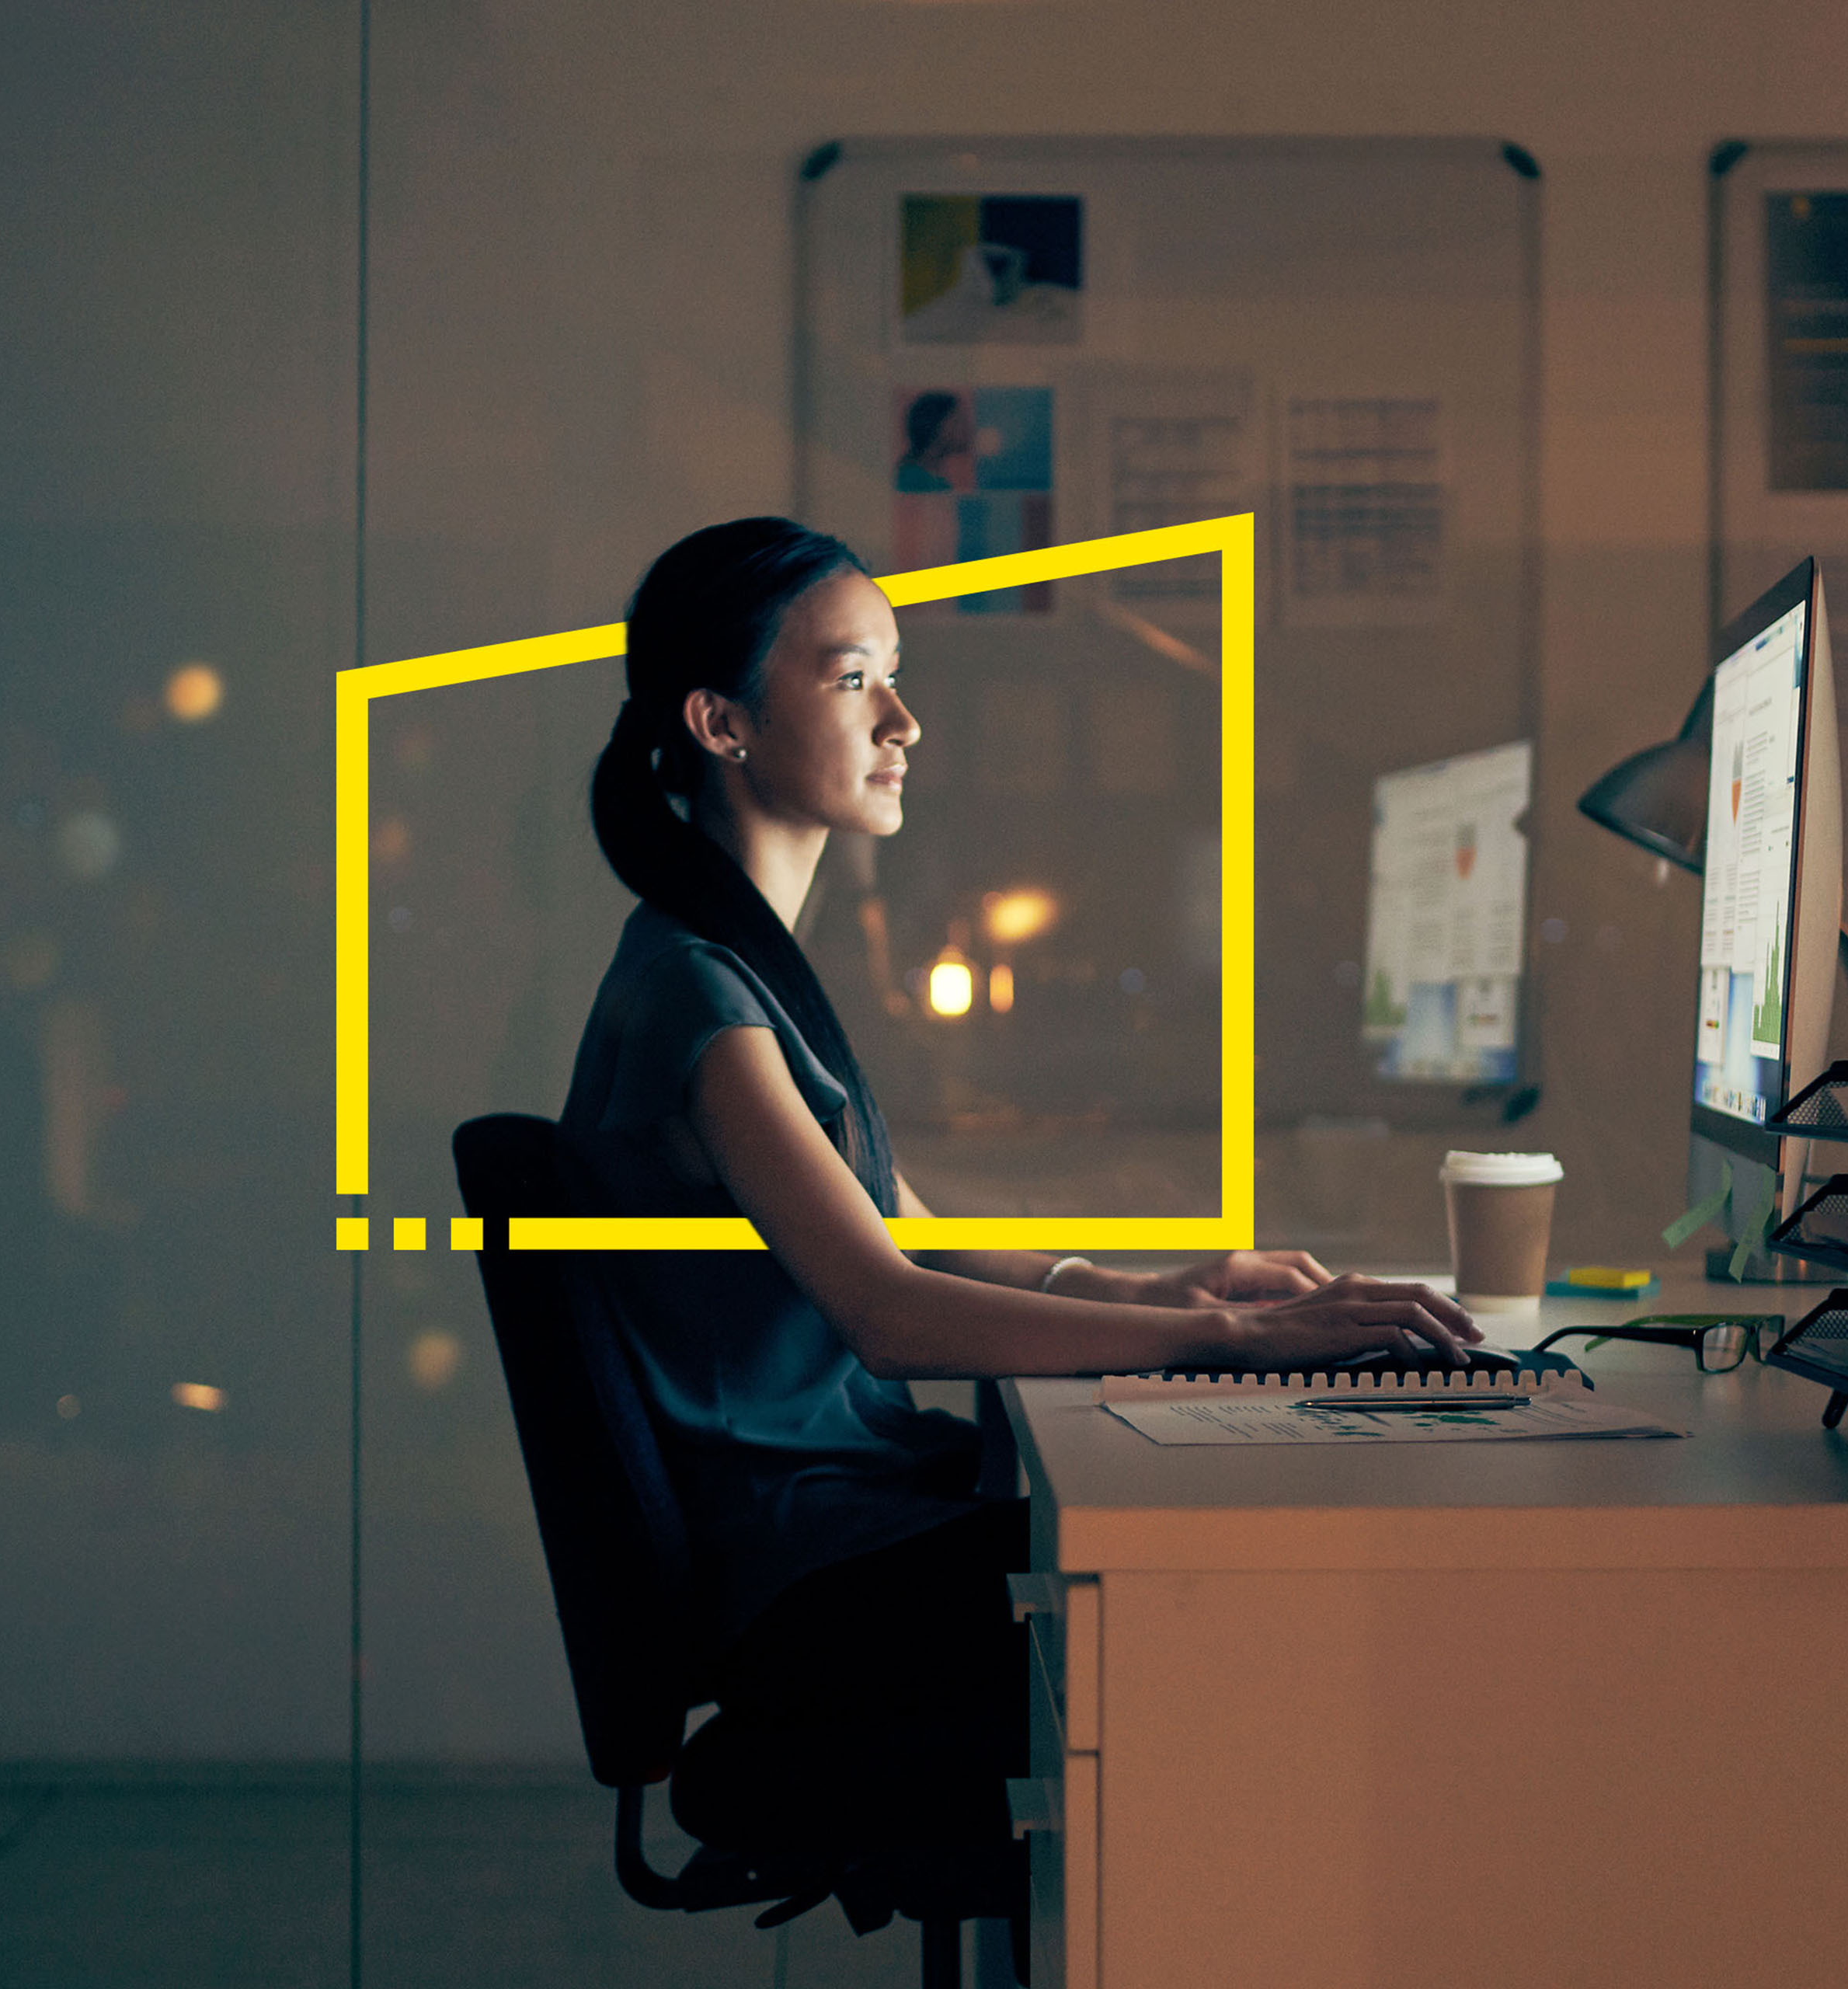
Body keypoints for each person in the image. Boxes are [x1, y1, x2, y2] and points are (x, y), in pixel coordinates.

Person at [558, 516, 1479, 1853]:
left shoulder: (741, 972)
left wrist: (1168, 1287)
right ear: (721, 722)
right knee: (1267, 1590)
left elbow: (923, 1238)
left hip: (846, 1533)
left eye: (894, 673)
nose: (905, 720)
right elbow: (893, 1313)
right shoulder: (699, 996)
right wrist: (1230, 1339)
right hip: (809, 1579)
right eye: (853, 677)